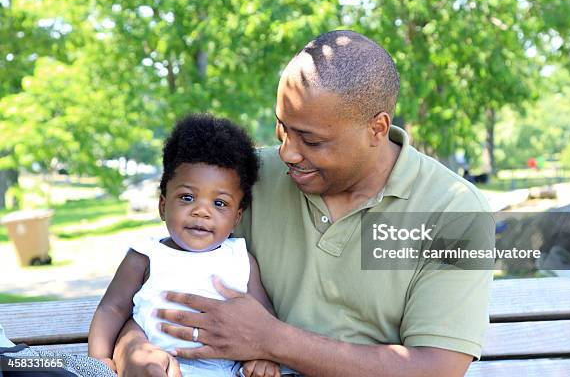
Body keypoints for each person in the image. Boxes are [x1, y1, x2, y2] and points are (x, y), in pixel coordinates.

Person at [113, 30, 494, 377]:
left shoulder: (455, 212)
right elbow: (159, 283)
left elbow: (435, 369)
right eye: (283, 128)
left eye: (311, 141)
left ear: (377, 128)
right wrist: (135, 350)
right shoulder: (248, 179)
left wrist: (272, 339)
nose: (288, 153)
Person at [88, 114, 284, 376]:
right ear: (163, 205)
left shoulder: (240, 259)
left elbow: (264, 317)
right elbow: (111, 308)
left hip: (224, 370)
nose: (201, 212)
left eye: (220, 203)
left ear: (237, 217)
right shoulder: (146, 256)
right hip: (157, 366)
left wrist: (262, 358)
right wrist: (98, 359)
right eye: (187, 197)